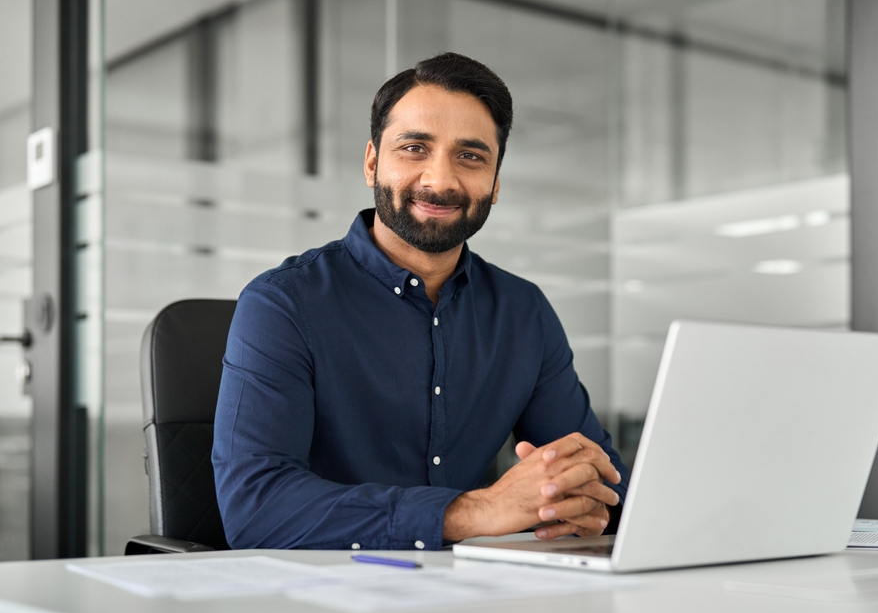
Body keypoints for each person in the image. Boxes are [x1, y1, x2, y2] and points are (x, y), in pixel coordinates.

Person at [213, 52, 629, 551]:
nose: (440, 180)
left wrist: (585, 499)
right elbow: (255, 509)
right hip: (320, 600)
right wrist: (473, 512)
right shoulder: (282, 304)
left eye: (470, 156)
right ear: (372, 161)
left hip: (471, 596)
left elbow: (597, 479)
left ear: (495, 183)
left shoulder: (523, 312)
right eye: (414, 148)